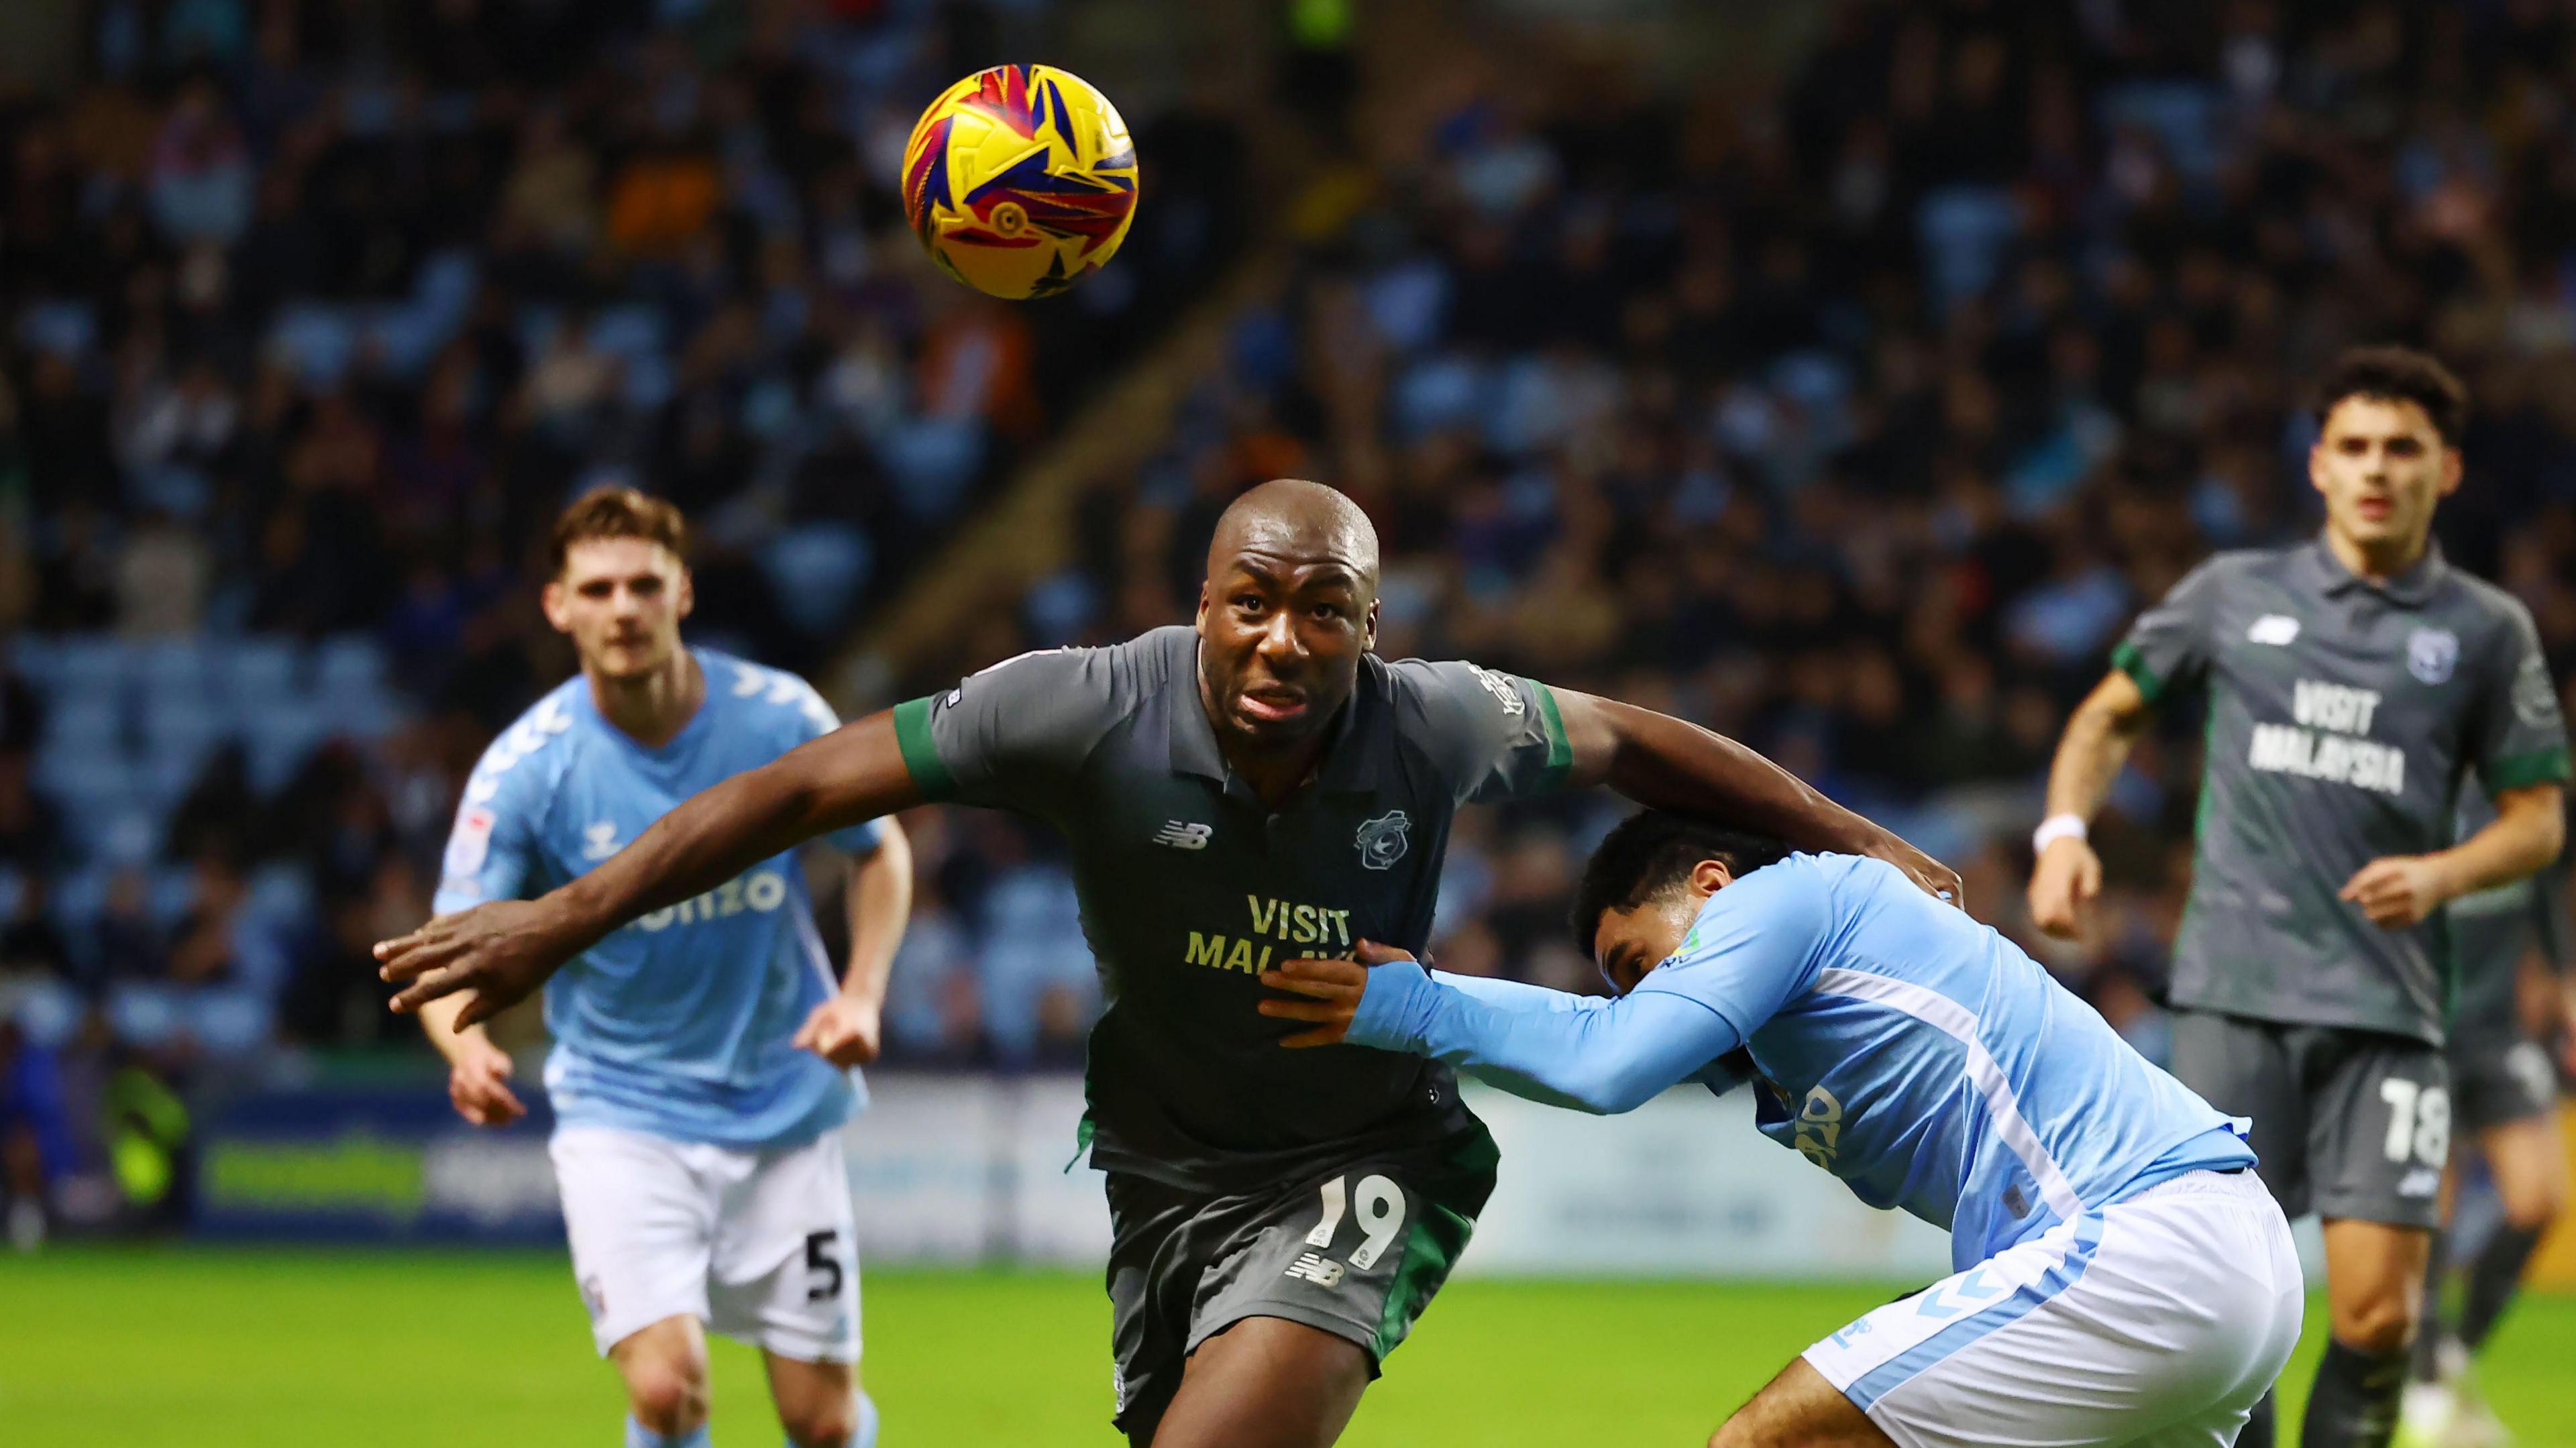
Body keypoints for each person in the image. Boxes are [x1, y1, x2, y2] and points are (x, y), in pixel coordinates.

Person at [376, 478, 1960, 1448]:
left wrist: (1853, 837)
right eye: (1251, 602)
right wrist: (563, 914)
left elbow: (1635, 743)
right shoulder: (1068, 706)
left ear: (1367, 625)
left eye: (1322, 611)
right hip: (1162, 1169)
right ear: (1199, 605)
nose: (1283, 639)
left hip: (1363, 1152)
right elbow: (801, 788)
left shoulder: (1436, 717)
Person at [1258, 811, 2300, 1448]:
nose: (1643, 995)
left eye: (1638, 960)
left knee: (1770, 1438)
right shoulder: (1790, 1044)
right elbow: (1599, 1029)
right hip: (2217, 1267)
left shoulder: (1791, 896)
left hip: (2143, 1240)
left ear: (1710, 883)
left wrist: (1411, 1004)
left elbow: (1609, 1056)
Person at [2023, 345, 2569, 1448]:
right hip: (2237, 999)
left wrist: (2443, 871)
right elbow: (2106, 714)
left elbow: (2538, 819)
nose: (2378, 468)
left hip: (2392, 1015)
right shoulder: (2235, 596)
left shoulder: (2483, 631)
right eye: (2356, 446)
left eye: (2403, 448)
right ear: (2319, 465)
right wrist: (2064, 831)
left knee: (2378, 1312)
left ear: (2446, 470)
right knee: (2231, 1305)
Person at [417, 487, 913, 1448]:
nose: (623, 607)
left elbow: (880, 854)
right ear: (558, 605)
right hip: (623, 1113)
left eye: (644, 583)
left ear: (683, 592)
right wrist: (465, 1046)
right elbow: (452, 940)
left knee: (819, 1420)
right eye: (597, 588)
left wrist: (862, 994)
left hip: (784, 1102)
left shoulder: (775, 719)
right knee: (666, 1385)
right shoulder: (529, 766)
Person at [2397, 791, 2571, 1448]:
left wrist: (2564, 979)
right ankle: (2423, 1384)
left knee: (2540, 1198)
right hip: (2422, 1030)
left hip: (2498, 1031)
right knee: (2429, 1207)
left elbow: (2544, 890)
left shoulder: (2523, 804)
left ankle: (2453, 1347)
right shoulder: (2417, 790)